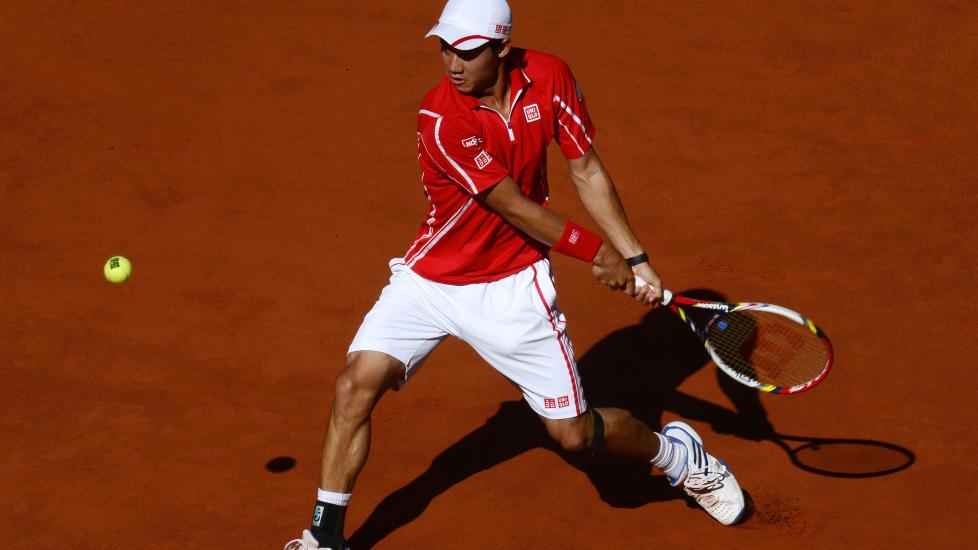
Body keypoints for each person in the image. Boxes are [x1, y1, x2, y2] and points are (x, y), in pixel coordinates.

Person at [286, 1, 745, 547]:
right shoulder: (442, 117)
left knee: (574, 436)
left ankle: (677, 456)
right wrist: (599, 253)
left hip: (512, 288)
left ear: (502, 48)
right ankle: (324, 537)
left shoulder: (550, 76)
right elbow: (512, 204)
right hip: (430, 281)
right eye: (445, 48)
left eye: (469, 50)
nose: (453, 63)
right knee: (353, 386)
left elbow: (587, 168)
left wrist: (636, 257)